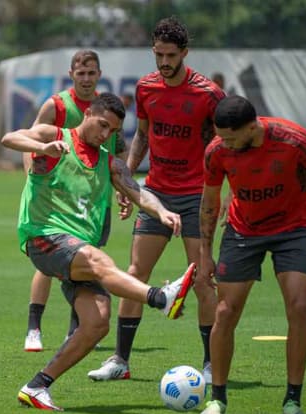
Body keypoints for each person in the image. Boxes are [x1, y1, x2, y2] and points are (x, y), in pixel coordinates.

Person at [2, 93, 197, 411]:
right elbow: (9, 138)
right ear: (88, 113)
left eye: (113, 131)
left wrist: (162, 212)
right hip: (44, 239)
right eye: (102, 125)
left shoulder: (109, 162)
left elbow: (139, 193)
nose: (105, 135)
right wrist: (42, 148)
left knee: (97, 321)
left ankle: (37, 387)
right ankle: (161, 298)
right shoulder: (56, 136)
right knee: (99, 259)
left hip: (77, 250)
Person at [197, 95, 306, 414]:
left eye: (231, 137)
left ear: (251, 126)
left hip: (294, 231)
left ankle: (292, 401)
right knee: (225, 311)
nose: (225, 144)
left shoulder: (294, 140)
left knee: (299, 307)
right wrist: (205, 253)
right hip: (242, 231)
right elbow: (209, 200)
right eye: (221, 136)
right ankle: (217, 398)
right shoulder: (217, 150)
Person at [88, 16, 225, 383]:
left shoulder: (208, 94)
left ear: (184, 52)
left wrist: (220, 194)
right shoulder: (147, 88)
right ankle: (120, 361)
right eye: (158, 54)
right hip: (157, 191)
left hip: (197, 195)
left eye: (170, 55)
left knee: (202, 280)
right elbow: (142, 137)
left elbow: (224, 147)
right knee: (135, 274)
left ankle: (211, 365)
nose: (163, 62)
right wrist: (127, 181)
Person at [23, 50, 129, 352]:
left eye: (91, 73)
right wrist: (32, 177)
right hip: (56, 201)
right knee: (47, 264)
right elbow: (30, 140)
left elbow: (118, 150)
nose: (86, 78)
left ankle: (76, 329)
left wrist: (123, 188)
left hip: (94, 202)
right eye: (80, 73)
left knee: (86, 265)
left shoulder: (106, 109)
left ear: (99, 75)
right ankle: (34, 328)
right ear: (71, 74)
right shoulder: (57, 105)